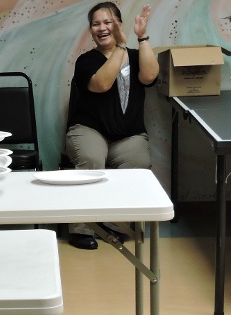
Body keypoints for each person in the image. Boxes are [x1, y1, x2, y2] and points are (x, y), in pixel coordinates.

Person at [64, 2, 159, 250]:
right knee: (91, 158)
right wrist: (120, 46)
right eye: (96, 24)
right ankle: (82, 228)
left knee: (139, 165)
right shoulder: (86, 61)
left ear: (118, 24)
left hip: (127, 135)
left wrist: (142, 37)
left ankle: (114, 225)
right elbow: (102, 83)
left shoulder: (137, 57)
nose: (102, 28)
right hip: (89, 130)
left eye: (108, 22)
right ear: (91, 30)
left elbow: (149, 77)